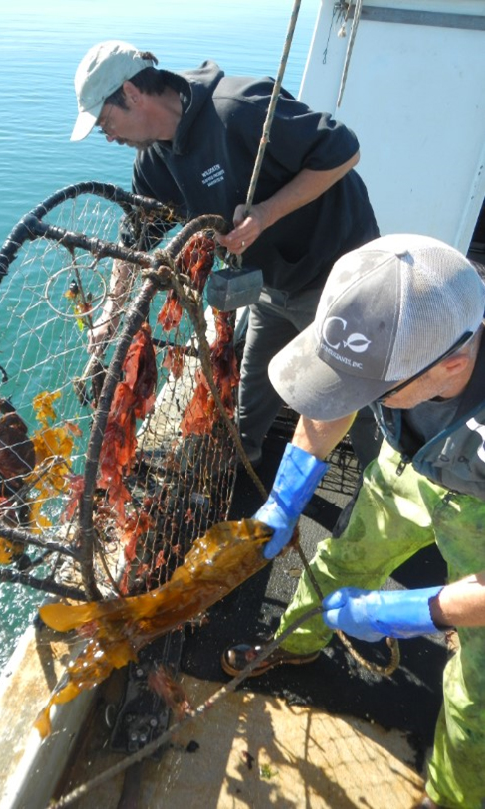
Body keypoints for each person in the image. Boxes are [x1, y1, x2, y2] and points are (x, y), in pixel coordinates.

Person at [221, 233, 485, 809]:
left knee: (476, 697)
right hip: (412, 466)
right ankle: (297, 641)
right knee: (342, 559)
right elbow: (332, 396)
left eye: (374, 389)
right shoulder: (404, 332)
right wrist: (287, 496)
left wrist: (420, 610)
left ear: (455, 365)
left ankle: (452, 797)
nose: (354, 397)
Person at [69, 39, 381, 469]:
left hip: (336, 272)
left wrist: (267, 213)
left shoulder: (238, 108)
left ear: (132, 93)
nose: (108, 137)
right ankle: (238, 462)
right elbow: (136, 240)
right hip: (271, 283)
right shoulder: (152, 163)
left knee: (355, 395)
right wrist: (110, 312)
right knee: (255, 383)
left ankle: (378, 478)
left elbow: (344, 151)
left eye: (106, 121)